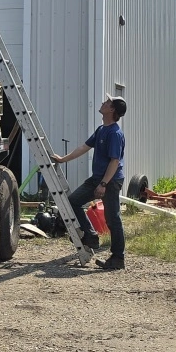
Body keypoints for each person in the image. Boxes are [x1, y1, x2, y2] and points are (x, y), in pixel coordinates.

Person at [50, 95, 128, 270]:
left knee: (113, 218)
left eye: (107, 103)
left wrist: (104, 184)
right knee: (72, 202)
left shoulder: (115, 133)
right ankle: (91, 235)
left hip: (110, 180)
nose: (103, 103)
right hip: (97, 179)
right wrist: (63, 159)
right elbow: (84, 147)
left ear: (112, 109)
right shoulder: (102, 129)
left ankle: (117, 258)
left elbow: (114, 161)